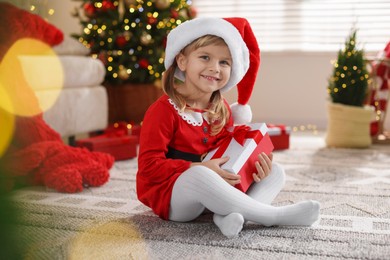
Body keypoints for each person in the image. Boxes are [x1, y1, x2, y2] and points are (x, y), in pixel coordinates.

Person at [136, 17, 320, 238]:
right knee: (201, 176)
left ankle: (229, 216)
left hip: (216, 192)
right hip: (174, 197)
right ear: (182, 61)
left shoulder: (221, 109)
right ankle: (271, 216)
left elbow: (227, 157)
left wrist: (251, 166)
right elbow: (149, 167)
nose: (215, 68)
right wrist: (199, 168)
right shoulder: (164, 110)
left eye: (225, 62)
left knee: (276, 173)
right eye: (205, 57)